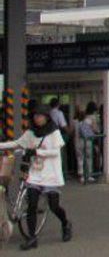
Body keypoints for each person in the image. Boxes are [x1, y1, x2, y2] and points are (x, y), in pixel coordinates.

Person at [0, 106, 72, 251]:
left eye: (40, 116)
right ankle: (32, 238)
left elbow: (55, 152)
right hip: (35, 173)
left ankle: (65, 223)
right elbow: (16, 144)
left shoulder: (54, 132)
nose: (37, 119)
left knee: (54, 206)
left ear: (46, 117)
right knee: (32, 204)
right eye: (35, 116)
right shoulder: (30, 133)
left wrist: (37, 151)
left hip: (51, 174)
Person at [77, 102, 99, 183]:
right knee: (88, 158)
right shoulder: (93, 118)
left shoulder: (81, 120)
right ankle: (89, 175)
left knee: (80, 158)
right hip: (88, 140)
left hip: (80, 140)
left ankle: (81, 175)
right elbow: (95, 129)